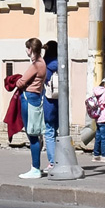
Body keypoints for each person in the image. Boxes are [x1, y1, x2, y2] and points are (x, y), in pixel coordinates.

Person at [14, 37, 47, 179]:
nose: (26, 52)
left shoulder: (35, 65)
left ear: (30, 49)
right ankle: (35, 166)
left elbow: (20, 83)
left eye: (27, 49)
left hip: (29, 98)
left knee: (31, 134)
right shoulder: (42, 63)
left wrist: (16, 80)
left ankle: (35, 168)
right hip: (36, 97)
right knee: (34, 133)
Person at [41, 40, 59, 171]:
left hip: (49, 102)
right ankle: (59, 159)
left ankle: (53, 162)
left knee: (49, 131)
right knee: (57, 131)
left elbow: (43, 83)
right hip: (60, 102)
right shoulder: (61, 65)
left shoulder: (46, 66)